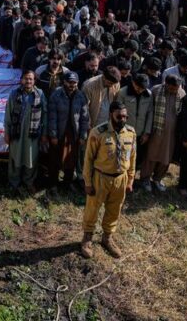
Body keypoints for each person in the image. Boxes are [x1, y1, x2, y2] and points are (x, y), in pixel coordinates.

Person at [80, 101, 137, 259]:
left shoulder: (131, 133)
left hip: (120, 179)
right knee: (93, 209)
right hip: (101, 177)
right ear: (111, 114)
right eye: (119, 116)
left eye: (125, 116)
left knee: (114, 209)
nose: (123, 119)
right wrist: (88, 182)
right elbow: (88, 159)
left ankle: (107, 238)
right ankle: (87, 238)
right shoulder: (98, 132)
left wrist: (130, 180)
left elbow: (132, 158)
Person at [4, 70, 47, 194]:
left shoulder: (40, 94)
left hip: (32, 133)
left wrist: (44, 134)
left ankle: (29, 182)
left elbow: (45, 114)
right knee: (15, 157)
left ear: (34, 81)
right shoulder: (14, 94)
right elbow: (8, 115)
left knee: (31, 158)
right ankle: (14, 182)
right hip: (17, 132)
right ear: (21, 80)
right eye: (26, 78)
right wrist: (6, 133)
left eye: (31, 79)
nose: (28, 81)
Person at [46, 71, 90, 188]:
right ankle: (53, 184)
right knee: (54, 159)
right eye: (70, 82)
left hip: (73, 134)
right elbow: (52, 117)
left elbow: (85, 118)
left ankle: (67, 183)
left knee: (71, 159)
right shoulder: (56, 94)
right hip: (59, 132)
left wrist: (82, 136)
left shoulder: (81, 96)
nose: (72, 85)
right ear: (64, 82)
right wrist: (53, 135)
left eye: (75, 83)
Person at [142, 75, 185, 192]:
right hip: (156, 129)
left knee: (166, 157)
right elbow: (149, 110)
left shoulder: (181, 93)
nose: (174, 91)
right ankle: (145, 179)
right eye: (172, 88)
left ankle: (157, 179)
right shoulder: (155, 90)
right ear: (166, 84)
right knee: (151, 155)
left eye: (176, 88)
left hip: (172, 133)